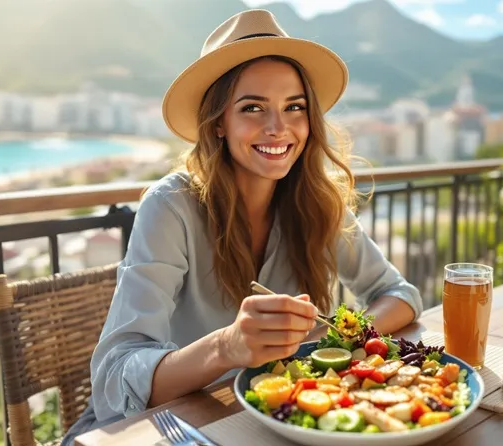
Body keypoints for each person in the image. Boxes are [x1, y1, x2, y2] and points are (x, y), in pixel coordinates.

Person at [61, 9, 422, 445]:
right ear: (218, 124)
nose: (278, 127)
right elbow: (115, 377)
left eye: (295, 107)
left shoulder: (318, 202)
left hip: (263, 419)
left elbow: (400, 295)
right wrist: (226, 347)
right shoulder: (169, 206)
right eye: (253, 108)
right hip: (162, 427)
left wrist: (335, 340)